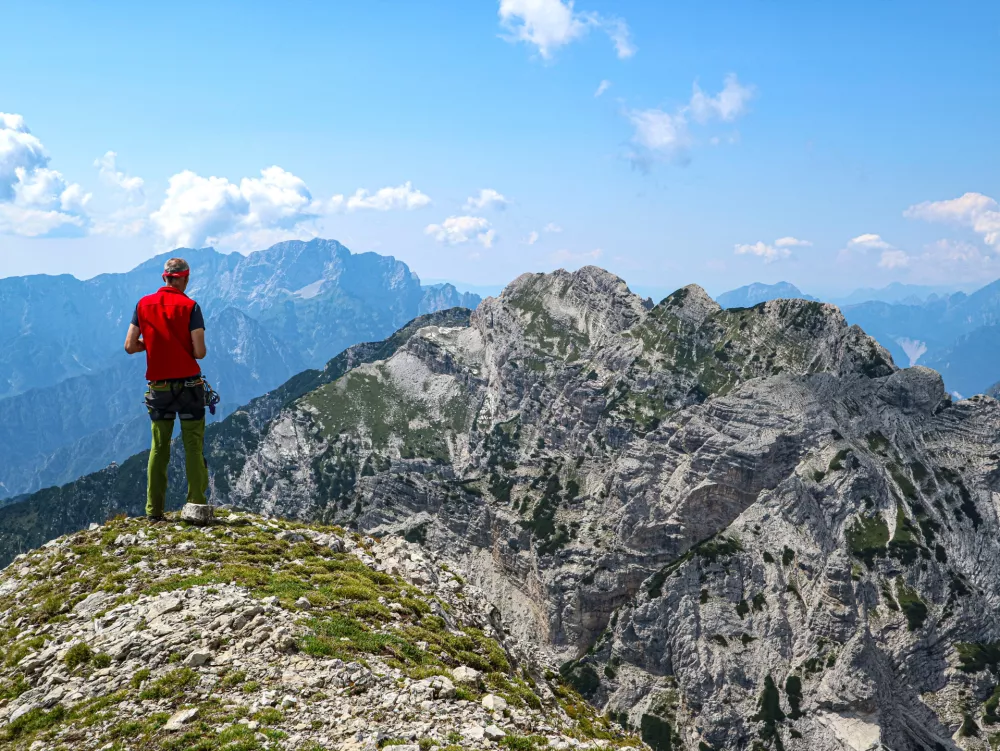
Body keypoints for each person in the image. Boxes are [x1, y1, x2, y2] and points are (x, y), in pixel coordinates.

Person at [124, 257, 210, 522]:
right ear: (185, 278)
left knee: (159, 448)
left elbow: (129, 345)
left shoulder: (143, 304)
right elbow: (200, 352)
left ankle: (154, 511)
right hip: (189, 388)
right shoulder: (191, 306)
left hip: (159, 389)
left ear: (165, 278)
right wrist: (179, 345)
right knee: (193, 447)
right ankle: (196, 504)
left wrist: (153, 343)